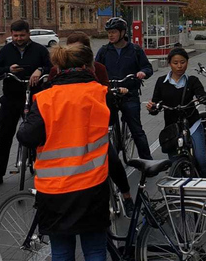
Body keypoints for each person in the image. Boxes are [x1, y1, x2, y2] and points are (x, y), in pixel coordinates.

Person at [17, 43, 111, 261]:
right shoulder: (99, 94)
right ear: (90, 66)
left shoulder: (46, 99)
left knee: (61, 250)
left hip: (55, 189)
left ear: (57, 68)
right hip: (93, 185)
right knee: (95, 248)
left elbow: (27, 136)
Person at [48, 32, 135, 217]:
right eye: (70, 50)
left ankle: (127, 195)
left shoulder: (98, 68)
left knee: (111, 159)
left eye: (77, 50)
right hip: (68, 129)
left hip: (92, 127)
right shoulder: (56, 71)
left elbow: (105, 94)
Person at [0, 19, 52, 190]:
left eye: (22, 35)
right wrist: (8, 70)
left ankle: (41, 171)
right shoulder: (6, 50)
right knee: (4, 136)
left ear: (28, 34)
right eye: (15, 36)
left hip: (35, 97)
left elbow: (51, 67)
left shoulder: (40, 50)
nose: (19, 38)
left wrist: (41, 70)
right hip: (11, 98)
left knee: (37, 135)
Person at [146, 47, 206, 177]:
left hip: (192, 124)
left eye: (182, 62)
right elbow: (156, 105)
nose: (179, 66)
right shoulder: (161, 82)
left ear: (187, 62)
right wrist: (152, 107)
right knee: (174, 164)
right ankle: (178, 193)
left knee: (201, 159)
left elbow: (201, 96)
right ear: (169, 64)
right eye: (175, 63)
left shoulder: (192, 81)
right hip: (172, 128)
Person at [95, 17, 154, 161]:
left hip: (130, 93)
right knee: (105, 127)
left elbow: (148, 67)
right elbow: (95, 69)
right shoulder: (104, 51)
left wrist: (143, 73)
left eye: (114, 32)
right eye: (109, 32)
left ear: (122, 33)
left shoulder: (135, 50)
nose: (110, 35)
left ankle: (147, 162)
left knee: (136, 129)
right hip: (110, 93)